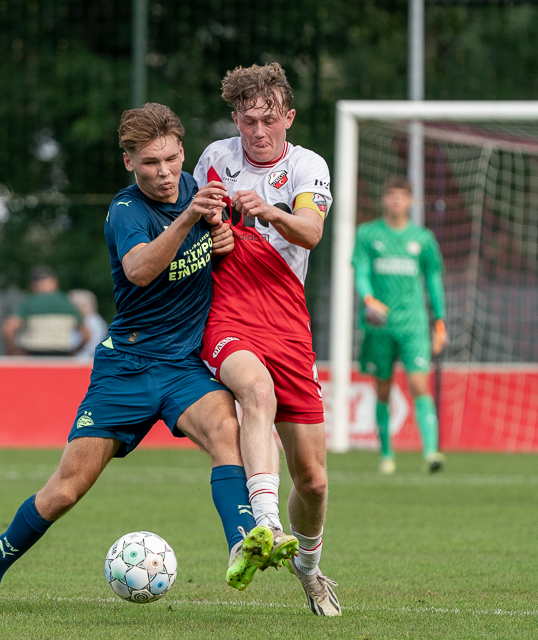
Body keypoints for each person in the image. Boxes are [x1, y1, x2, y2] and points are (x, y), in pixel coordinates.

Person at [0, 103, 273, 615]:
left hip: (182, 366)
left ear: (183, 150)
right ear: (128, 164)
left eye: (170, 159)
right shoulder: (126, 212)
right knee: (64, 492)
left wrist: (222, 239)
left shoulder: (205, 192)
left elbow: (218, 252)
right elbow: (139, 270)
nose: (163, 173)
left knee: (226, 430)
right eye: (149, 164)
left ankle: (242, 544)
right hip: (127, 369)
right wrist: (189, 218)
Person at [193, 63, 340, 616]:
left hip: (287, 321)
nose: (258, 131)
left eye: (269, 120)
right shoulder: (214, 157)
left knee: (316, 481)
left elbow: (312, 232)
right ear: (235, 119)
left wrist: (268, 212)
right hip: (228, 311)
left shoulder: (307, 165)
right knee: (255, 391)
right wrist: (217, 233)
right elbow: (198, 222)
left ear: (289, 118)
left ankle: (307, 566)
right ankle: (266, 525)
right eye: (248, 121)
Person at [351, 176, 448, 475]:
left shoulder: (423, 239)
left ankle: (431, 452)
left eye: (401, 196)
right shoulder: (367, 234)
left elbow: (433, 279)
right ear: (384, 199)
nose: (396, 200)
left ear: (410, 201)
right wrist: (368, 298)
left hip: (414, 325)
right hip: (379, 326)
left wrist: (440, 321)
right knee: (382, 388)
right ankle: (387, 454)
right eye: (391, 195)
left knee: (420, 384)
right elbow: (361, 271)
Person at [1, 265, 89, 356]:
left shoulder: (29, 303)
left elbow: (8, 330)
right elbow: (86, 335)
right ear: (55, 281)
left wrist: (16, 352)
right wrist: (76, 351)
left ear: (33, 284)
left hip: (34, 356)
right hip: (62, 356)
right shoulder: (69, 304)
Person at [68, 288, 108, 360]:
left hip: (84, 360)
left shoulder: (92, 321)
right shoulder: (93, 320)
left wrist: (75, 354)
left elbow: (90, 343)